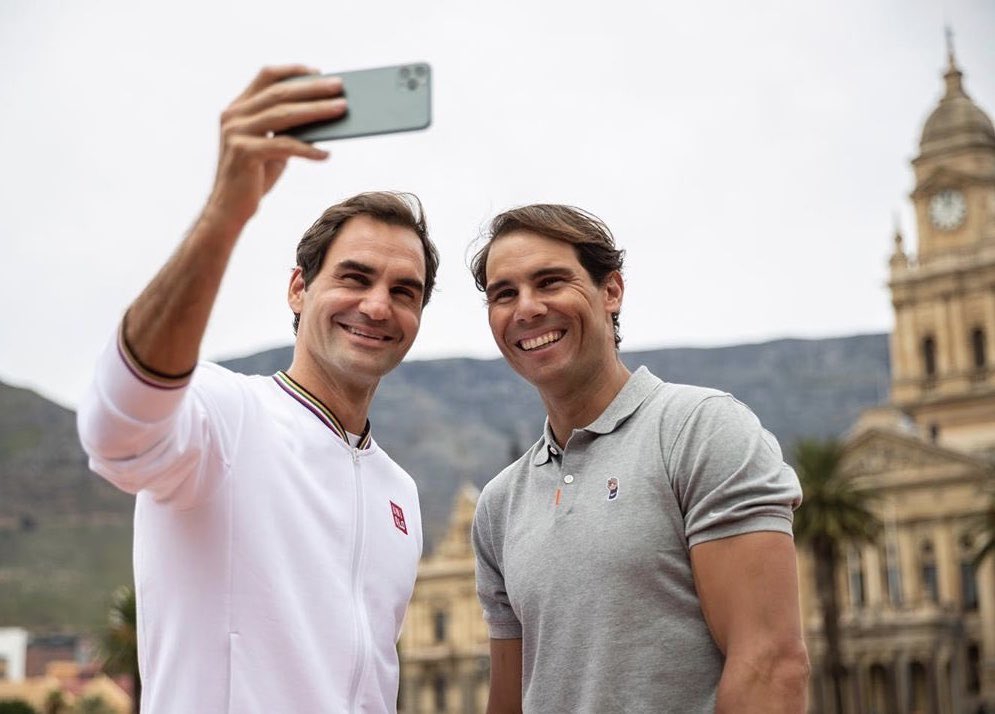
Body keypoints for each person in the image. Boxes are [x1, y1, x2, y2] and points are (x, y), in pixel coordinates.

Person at [76, 65, 440, 713]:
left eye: (403, 291)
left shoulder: (401, 494)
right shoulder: (226, 415)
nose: (378, 306)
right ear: (299, 289)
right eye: (354, 278)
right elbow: (116, 431)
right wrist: (227, 210)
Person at [468, 204, 810, 713]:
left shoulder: (700, 431)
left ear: (611, 291)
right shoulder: (499, 505)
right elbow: (509, 702)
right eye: (504, 294)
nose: (527, 308)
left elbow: (770, 664)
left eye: (550, 282)